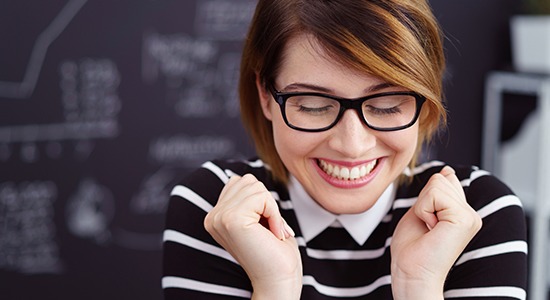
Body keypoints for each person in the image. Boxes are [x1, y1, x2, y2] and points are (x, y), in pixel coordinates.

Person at [162, 0, 528, 299]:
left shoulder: (475, 214)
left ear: (426, 98)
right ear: (265, 96)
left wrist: (419, 286)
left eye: (387, 104)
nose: (352, 146)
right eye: (313, 105)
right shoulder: (218, 211)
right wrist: (275, 288)